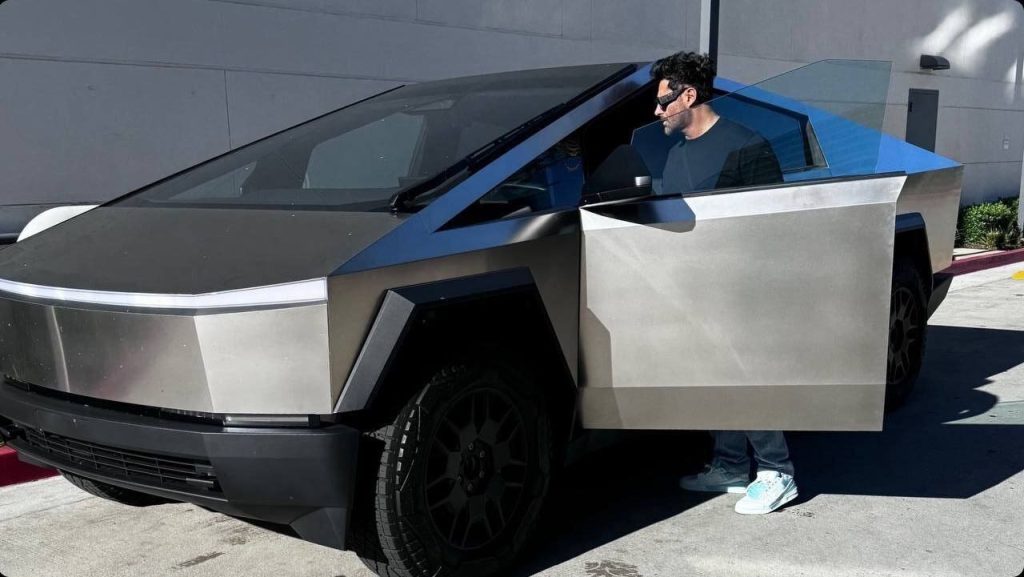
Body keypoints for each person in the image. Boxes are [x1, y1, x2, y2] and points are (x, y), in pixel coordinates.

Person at [651, 51, 797, 515]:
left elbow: (774, 221)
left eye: (663, 101)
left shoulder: (745, 145)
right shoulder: (676, 154)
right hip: (695, 284)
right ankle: (731, 465)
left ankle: (777, 472)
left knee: (744, 374)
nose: (657, 111)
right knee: (712, 376)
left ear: (688, 96)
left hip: (742, 284)